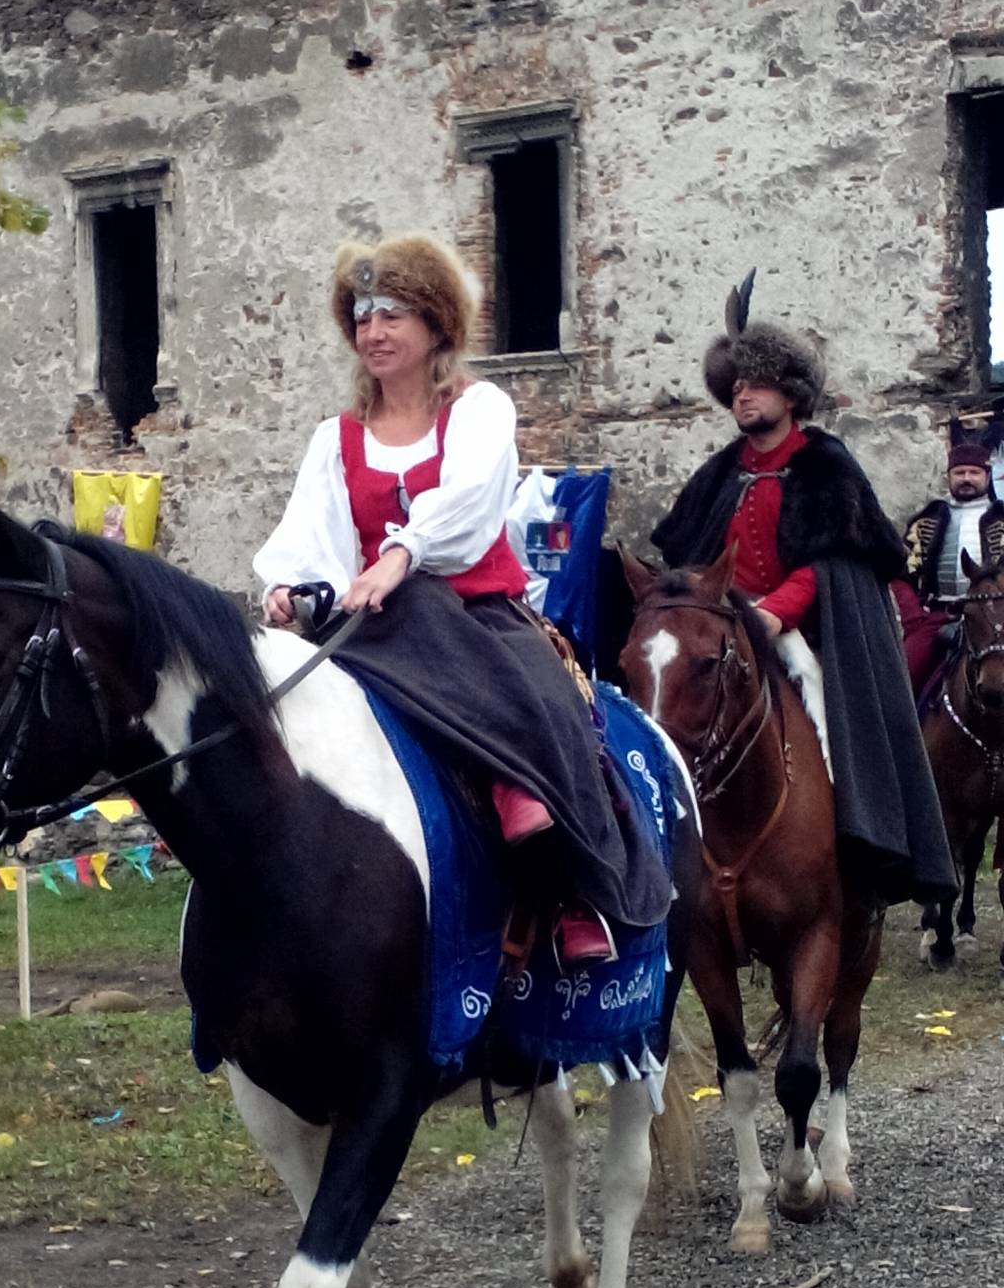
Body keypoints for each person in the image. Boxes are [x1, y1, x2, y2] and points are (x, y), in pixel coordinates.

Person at [255, 234, 671, 957]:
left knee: (550, 700)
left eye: (392, 314)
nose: (373, 331)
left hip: (478, 611)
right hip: (373, 623)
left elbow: (472, 502)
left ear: (436, 323)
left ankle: (566, 878)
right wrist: (293, 590)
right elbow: (311, 535)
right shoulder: (337, 438)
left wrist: (403, 553)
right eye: (361, 316)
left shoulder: (480, 411)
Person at [649, 271, 953, 905]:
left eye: (756, 384)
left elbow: (836, 561)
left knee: (823, 709)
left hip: (806, 632)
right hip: (727, 630)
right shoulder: (719, 473)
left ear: (790, 392)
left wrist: (775, 617)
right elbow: (687, 559)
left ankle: (852, 838)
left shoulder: (825, 462)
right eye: (734, 387)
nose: (743, 396)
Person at [895, 436, 1004, 695]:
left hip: (995, 616)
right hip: (938, 613)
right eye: (960, 472)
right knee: (901, 676)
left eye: (974, 473)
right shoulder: (926, 520)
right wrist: (914, 617)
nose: (966, 478)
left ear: (987, 478)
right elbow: (900, 574)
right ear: (949, 477)